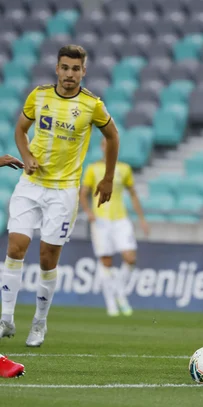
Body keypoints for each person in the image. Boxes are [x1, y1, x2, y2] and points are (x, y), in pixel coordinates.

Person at [0, 45, 119, 347]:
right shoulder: (38, 96)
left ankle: (39, 322)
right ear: (57, 68)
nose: (69, 74)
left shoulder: (92, 105)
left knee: (47, 258)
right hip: (30, 184)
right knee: (16, 247)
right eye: (64, 68)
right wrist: (26, 155)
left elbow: (113, 136)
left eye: (75, 69)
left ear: (83, 71)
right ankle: (6, 317)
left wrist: (107, 178)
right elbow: (20, 130)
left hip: (64, 190)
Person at [80, 138, 149, 317]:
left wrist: (141, 219)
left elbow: (133, 194)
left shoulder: (124, 169)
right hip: (100, 220)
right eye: (105, 145)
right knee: (107, 262)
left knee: (130, 257)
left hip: (121, 219)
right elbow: (83, 193)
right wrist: (88, 212)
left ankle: (119, 293)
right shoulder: (93, 168)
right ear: (102, 148)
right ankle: (111, 302)